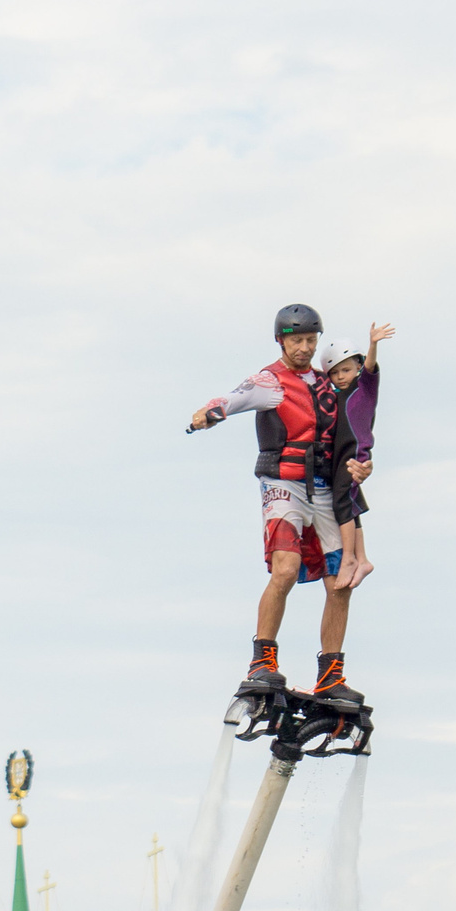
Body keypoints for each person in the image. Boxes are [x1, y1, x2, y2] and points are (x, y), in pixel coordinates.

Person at [186, 303, 365, 708]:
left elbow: (351, 432)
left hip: (322, 487)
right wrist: (208, 414)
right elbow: (233, 399)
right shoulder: (270, 381)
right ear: (281, 340)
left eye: (310, 340)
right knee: (284, 569)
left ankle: (331, 675)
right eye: (296, 340)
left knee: (341, 580)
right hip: (283, 484)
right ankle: (262, 661)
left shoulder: (326, 385)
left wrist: (359, 466)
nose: (304, 347)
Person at [322, 323, 393, 590]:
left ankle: (349, 559)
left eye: (347, 370)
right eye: (335, 373)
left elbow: (371, 368)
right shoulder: (334, 396)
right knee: (350, 506)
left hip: (355, 454)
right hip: (340, 456)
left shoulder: (364, 388)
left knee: (341, 503)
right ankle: (363, 559)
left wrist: (373, 344)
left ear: (358, 368)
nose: (341, 377)